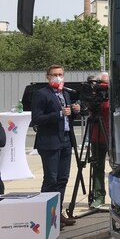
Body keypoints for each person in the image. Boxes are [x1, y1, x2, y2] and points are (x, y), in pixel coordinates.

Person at [31, 65, 81, 229]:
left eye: (61, 74)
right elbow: (37, 118)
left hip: (65, 140)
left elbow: (68, 117)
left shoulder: (65, 93)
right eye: (55, 75)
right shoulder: (41, 94)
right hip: (49, 142)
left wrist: (75, 111)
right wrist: (59, 114)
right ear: (48, 77)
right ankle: (47, 215)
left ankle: (57, 213)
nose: (58, 77)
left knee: (62, 179)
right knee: (51, 180)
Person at [89, 72, 109, 209]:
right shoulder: (94, 96)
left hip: (113, 136)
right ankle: (98, 196)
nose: (103, 88)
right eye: (100, 85)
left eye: (106, 85)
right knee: (97, 167)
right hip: (97, 136)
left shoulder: (115, 96)